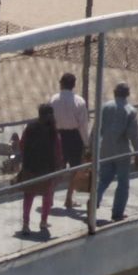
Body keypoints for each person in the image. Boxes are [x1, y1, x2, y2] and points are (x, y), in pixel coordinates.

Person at [92, 82, 138, 223]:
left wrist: (91, 146)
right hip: (122, 151)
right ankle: (117, 213)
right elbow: (133, 135)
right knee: (123, 182)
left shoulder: (105, 107)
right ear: (128, 94)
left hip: (105, 148)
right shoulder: (130, 110)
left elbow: (96, 129)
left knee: (104, 179)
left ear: (114, 93)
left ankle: (94, 201)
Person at [18, 101, 62, 236]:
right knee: (47, 195)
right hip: (47, 168)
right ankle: (43, 221)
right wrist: (59, 165)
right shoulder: (53, 131)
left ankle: (25, 224)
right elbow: (58, 150)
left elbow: (22, 144)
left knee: (28, 195)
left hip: (30, 166)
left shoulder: (30, 127)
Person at [50, 72, 89, 210]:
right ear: (73, 85)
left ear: (61, 83)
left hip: (59, 136)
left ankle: (49, 197)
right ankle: (68, 198)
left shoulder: (54, 99)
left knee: (57, 167)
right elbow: (83, 124)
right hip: (74, 137)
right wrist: (86, 142)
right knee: (75, 169)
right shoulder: (79, 101)